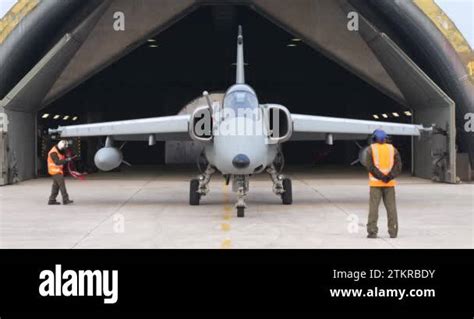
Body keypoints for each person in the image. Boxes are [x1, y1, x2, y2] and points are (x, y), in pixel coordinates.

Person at [366, 129, 402, 238]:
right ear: (386, 138)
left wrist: (381, 177)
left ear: (374, 138)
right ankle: (393, 231)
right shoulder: (393, 149)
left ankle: (372, 232)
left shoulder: (370, 149)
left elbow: (370, 167)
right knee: (391, 208)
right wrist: (389, 177)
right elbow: (398, 166)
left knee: (374, 208)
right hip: (389, 184)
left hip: (376, 184)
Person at [47, 140, 74, 205]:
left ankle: (51, 200)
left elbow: (62, 156)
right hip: (55, 171)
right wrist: (66, 160)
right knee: (62, 185)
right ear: (61, 147)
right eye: (64, 148)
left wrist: (67, 157)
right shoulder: (53, 152)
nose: (64, 150)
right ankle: (65, 199)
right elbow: (57, 162)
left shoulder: (59, 150)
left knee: (56, 186)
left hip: (57, 170)